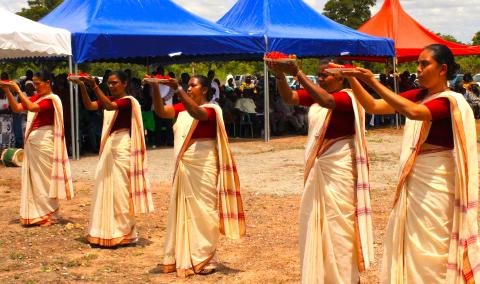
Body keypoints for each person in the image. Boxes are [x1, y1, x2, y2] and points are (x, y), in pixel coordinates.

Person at [342, 44, 480, 282]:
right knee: (413, 242)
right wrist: (353, 78)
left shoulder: (450, 100)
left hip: (436, 184)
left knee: (433, 245)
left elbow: (415, 113)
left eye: (424, 64)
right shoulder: (419, 95)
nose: (418, 69)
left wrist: (373, 81)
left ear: (442, 69)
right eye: (418, 63)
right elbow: (373, 106)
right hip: (415, 181)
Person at [266, 58, 373, 283]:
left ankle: (344, 277)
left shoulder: (347, 98)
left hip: (339, 167)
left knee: (338, 223)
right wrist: (279, 75)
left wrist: (298, 73)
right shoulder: (317, 95)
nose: (321, 78)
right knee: (316, 220)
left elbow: (326, 100)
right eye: (319, 74)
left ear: (341, 76)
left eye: (325, 74)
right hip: (320, 165)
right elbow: (290, 97)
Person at [147, 75, 245, 277]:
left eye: (193, 85)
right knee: (183, 210)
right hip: (185, 165)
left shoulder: (212, 109)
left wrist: (178, 90)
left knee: (205, 210)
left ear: (206, 90)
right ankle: (180, 256)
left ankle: (205, 256)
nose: (189, 88)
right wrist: (156, 88)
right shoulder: (182, 108)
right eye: (187, 85)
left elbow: (197, 113)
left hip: (204, 165)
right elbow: (161, 111)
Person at [69, 71, 154, 247]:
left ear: (125, 83)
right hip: (109, 146)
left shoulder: (128, 101)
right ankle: (103, 231)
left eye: (115, 83)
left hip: (122, 147)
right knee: (103, 187)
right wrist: (83, 87)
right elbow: (90, 105)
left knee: (121, 191)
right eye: (109, 83)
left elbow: (108, 106)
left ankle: (124, 232)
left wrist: (94, 86)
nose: (111, 86)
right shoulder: (110, 99)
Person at [0, 72, 74, 226]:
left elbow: (32, 108)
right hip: (33, 143)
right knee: (35, 179)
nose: (35, 86)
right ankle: (38, 213)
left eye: (38, 83)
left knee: (45, 179)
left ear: (48, 82)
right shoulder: (37, 97)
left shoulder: (52, 99)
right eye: (34, 83)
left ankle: (50, 214)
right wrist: (8, 91)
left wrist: (18, 90)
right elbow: (17, 108)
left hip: (44, 142)